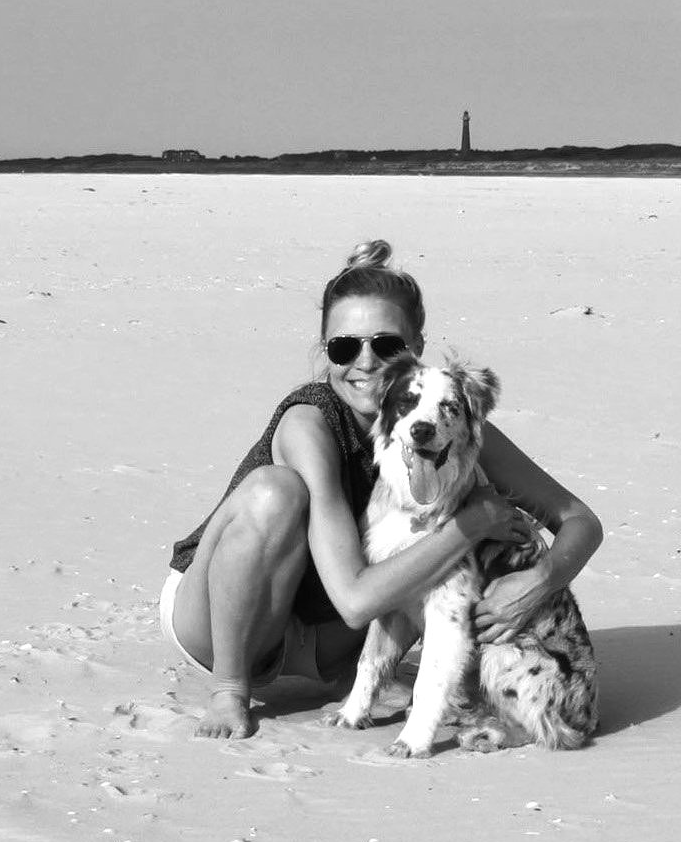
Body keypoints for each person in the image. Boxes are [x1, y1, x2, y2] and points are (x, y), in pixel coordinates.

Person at [160, 240, 604, 740]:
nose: (365, 363)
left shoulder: (449, 422)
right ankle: (229, 691)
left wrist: (539, 581)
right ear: (325, 351)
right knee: (274, 493)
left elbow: (581, 522)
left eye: (386, 345)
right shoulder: (310, 423)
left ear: (415, 347)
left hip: (326, 641)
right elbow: (354, 600)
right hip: (225, 624)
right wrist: (472, 523)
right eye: (344, 348)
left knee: (450, 569)